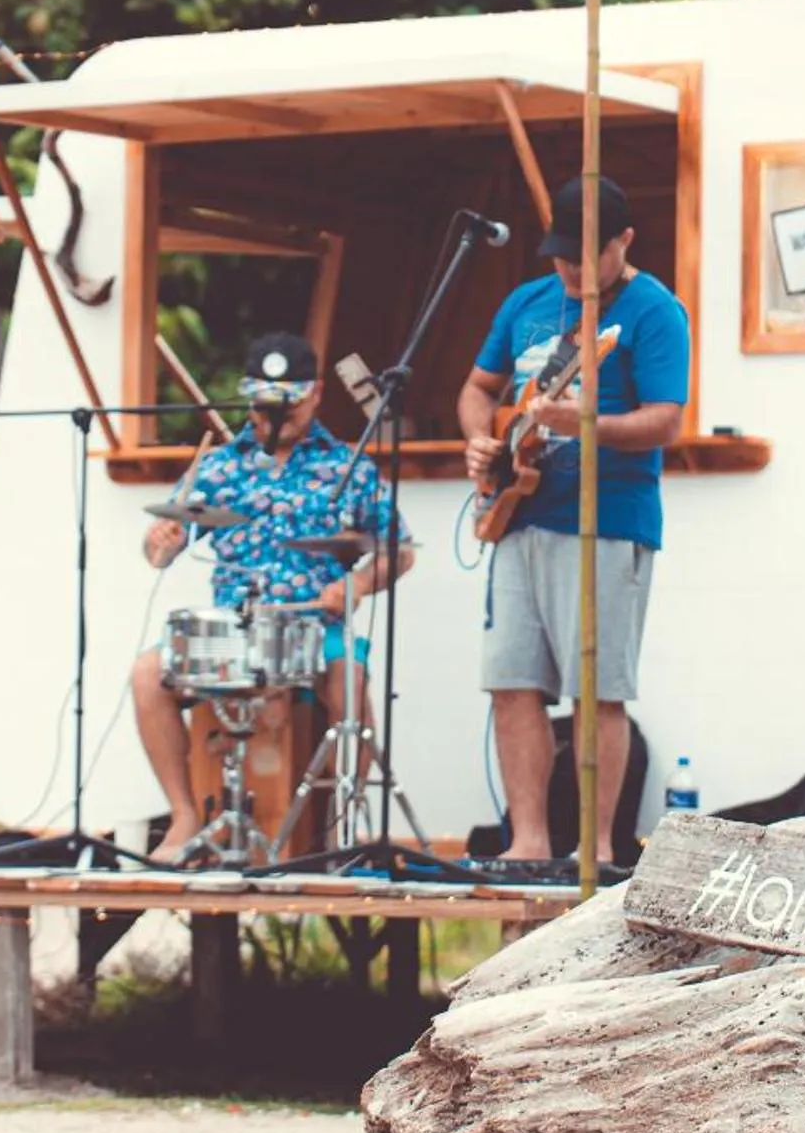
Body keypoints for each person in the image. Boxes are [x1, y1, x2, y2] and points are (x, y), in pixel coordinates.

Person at [457, 175, 690, 865]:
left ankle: (595, 848)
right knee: (511, 680)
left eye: (584, 255)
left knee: (597, 691)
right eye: (560, 254)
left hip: (607, 522)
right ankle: (528, 841)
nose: (569, 269)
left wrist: (581, 422)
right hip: (519, 514)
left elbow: (666, 420)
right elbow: (478, 388)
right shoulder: (526, 303)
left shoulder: (652, 312)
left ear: (624, 242)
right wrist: (481, 439)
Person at [131, 332, 413, 863]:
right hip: (234, 627)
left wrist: (355, 584)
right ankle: (185, 816)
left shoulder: (346, 466)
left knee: (349, 684)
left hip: (315, 622)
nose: (272, 417)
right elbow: (159, 548)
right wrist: (160, 543)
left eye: (286, 403)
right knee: (148, 673)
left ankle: (340, 827)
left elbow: (399, 549)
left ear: (315, 395)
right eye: (263, 405)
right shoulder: (218, 466)